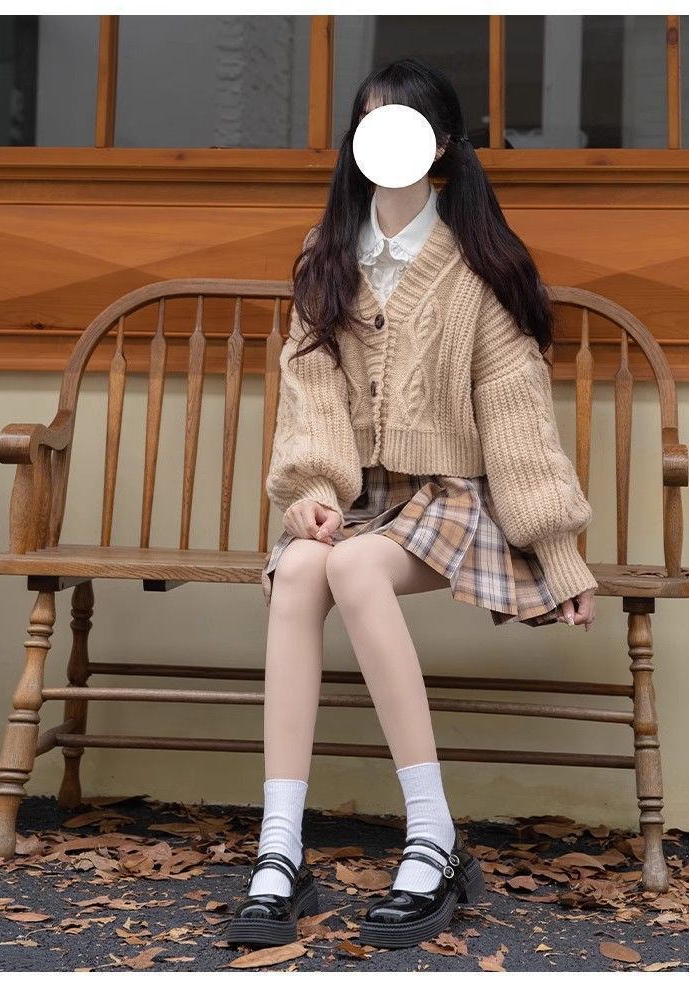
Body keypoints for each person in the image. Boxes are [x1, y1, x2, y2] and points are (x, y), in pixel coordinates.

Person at [224, 57, 597, 951]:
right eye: (370, 124)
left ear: (443, 148)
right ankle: (280, 848)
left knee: (352, 566)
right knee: (303, 567)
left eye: (405, 125)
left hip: (457, 495)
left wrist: (558, 550)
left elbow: (515, 418)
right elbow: (310, 397)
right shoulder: (326, 260)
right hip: (360, 502)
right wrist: (312, 495)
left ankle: (432, 836)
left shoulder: (480, 266)